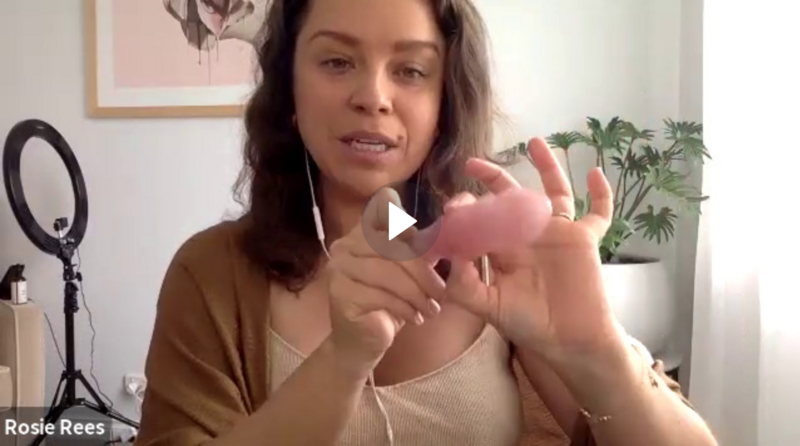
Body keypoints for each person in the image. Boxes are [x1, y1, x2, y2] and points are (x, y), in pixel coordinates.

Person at [134, 0, 719, 445]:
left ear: (444, 102)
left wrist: (594, 349)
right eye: (337, 61)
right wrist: (343, 359)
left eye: (411, 71)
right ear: (289, 89)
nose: (373, 96)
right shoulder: (210, 274)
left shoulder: (499, 263)